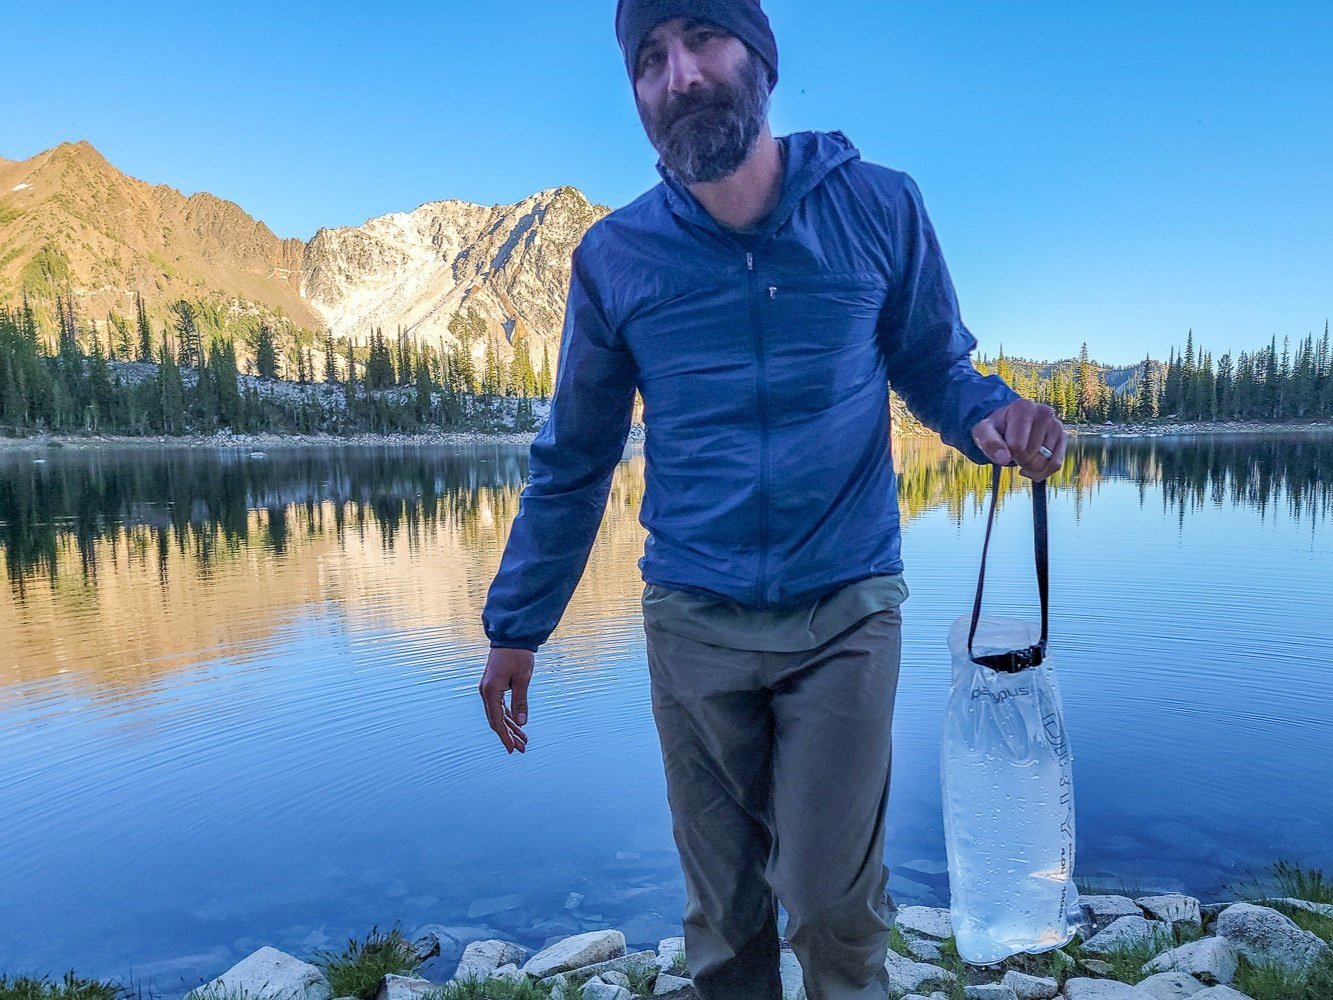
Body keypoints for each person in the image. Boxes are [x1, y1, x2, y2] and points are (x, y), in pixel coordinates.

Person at [479, 2, 1067, 997]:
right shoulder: (614, 259)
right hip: (690, 623)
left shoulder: (879, 208)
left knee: (833, 904)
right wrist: (516, 626)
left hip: (843, 610)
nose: (679, 76)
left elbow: (931, 364)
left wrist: (990, 419)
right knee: (723, 917)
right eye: (650, 59)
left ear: (759, 58)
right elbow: (575, 457)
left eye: (701, 38)